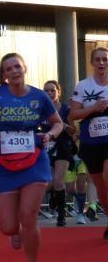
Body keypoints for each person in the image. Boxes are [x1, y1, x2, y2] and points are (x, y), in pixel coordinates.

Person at [0, 53, 63, 262]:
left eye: (17, 67)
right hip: (3, 163)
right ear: (4, 74)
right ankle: (15, 232)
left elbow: (58, 122)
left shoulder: (39, 96)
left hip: (34, 161)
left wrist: (50, 135)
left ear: (25, 68)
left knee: (28, 216)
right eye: (9, 69)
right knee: (8, 226)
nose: (14, 71)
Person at [69, 47, 108, 238]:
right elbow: (73, 115)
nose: (101, 63)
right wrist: (93, 108)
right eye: (98, 59)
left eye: (105, 59)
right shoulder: (83, 85)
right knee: (101, 187)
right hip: (91, 143)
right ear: (92, 63)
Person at [42, 80, 77, 227]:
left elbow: (74, 130)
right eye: (46, 90)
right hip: (46, 147)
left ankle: (61, 215)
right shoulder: (41, 109)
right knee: (48, 182)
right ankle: (54, 197)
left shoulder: (66, 109)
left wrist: (63, 125)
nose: (49, 93)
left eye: (52, 90)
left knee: (58, 180)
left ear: (58, 92)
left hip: (63, 146)